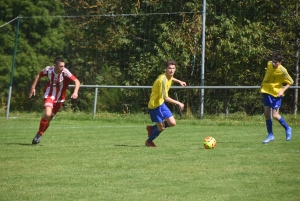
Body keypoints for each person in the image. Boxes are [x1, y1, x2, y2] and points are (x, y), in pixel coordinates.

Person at [29, 57, 80, 144]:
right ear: (55, 65)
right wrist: (33, 87)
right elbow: (39, 75)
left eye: (63, 66)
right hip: (49, 95)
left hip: (60, 98)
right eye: (60, 66)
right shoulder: (48, 70)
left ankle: (39, 133)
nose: (62, 68)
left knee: (49, 118)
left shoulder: (65, 72)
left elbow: (77, 81)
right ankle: (39, 135)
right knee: (47, 114)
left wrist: (75, 92)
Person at [145, 60, 186, 147]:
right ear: (166, 69)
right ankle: (149, 141)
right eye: (169, 68)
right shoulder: (162, 80)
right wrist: (178, 103)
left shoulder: (168, 76)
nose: (171, 70)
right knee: (161, 128)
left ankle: (152, 128)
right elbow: (166, 98)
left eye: (173, 68)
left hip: (161, 104)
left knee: (172, 123)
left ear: (175, 69)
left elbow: (171, 78)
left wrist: (179, 81)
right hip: (154, 106)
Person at [260, 52, 294, 144]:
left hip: (276, 94)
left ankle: (287, 128)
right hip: (266, 91)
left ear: (280, 62)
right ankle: (270, 135)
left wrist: (282, 91)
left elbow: (290, 82)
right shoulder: (269, 64)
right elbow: (267, 74)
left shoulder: (283, 70)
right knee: (267, 114)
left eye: (276, 62)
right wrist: (263, 82)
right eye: (273, 62)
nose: (274, 64)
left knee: (275, 115)